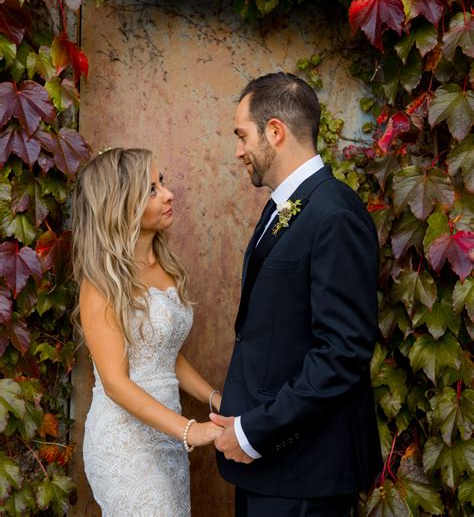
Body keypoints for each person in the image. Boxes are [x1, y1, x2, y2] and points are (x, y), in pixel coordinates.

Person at [211, 73, 382, 517]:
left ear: (274, 131)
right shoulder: (288, 206)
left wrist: (254, 431)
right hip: (272, 470)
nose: (238, 151)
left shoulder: (334, 214)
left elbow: (342, 353)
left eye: (241, 135)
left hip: (306, 475)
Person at [71, 148, 223, 516]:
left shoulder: (166, 267)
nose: (168, 194)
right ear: (122, 206)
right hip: (124, 440)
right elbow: (115, 383)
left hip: (167, 437)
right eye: (151, 190)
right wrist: (191, 430)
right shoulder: (100, 282)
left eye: (163, 182)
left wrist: (217, 398)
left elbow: (164, 353)